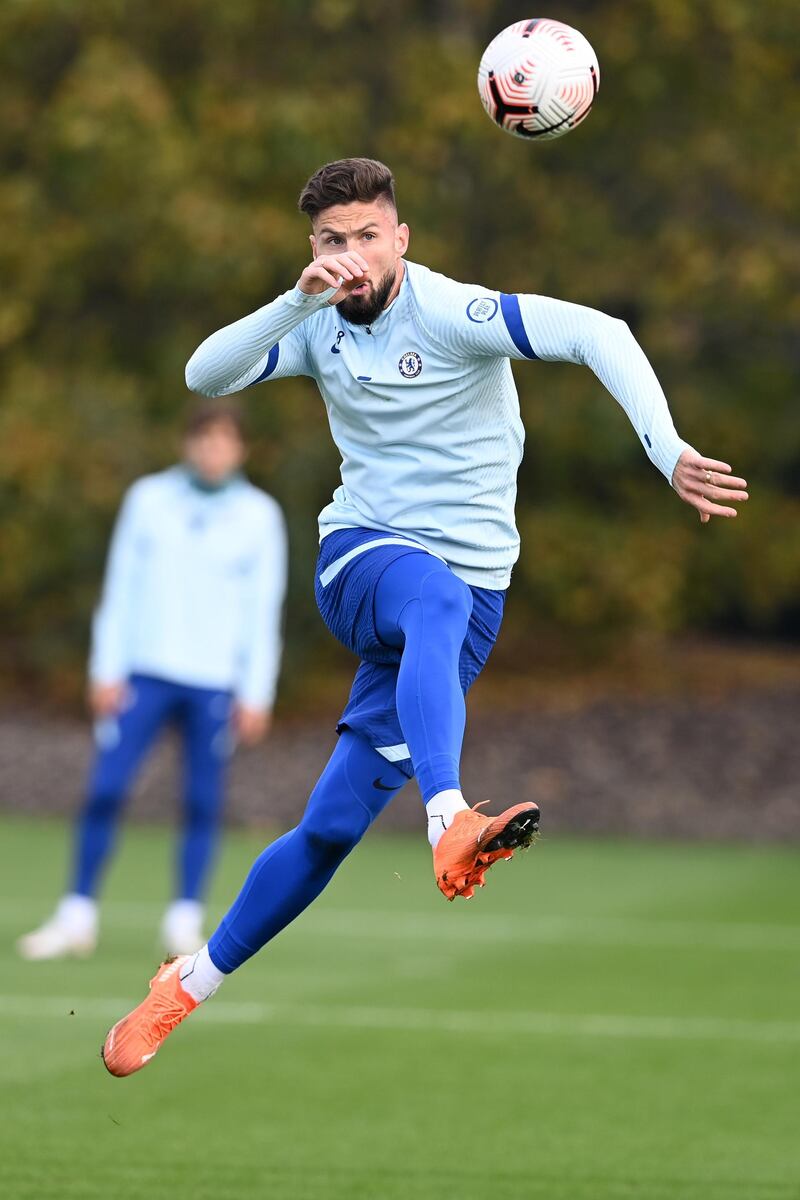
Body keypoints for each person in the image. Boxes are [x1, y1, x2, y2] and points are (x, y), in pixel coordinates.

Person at [100, 157, 747, 1076]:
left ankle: (185, 985)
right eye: (333, 241)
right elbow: (208, 375)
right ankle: (449, 815)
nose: (351, 256)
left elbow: (599, 332)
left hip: (468, 607)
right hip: (363, 562)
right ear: (314, 248)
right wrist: (295, 300)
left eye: (368, 236)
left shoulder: (450, 313)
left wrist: (667, 448)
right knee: (431, 593)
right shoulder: (318, 320)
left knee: (328, 829)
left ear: (401, 238)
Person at [19, 400, 287, 961]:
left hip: (215, 681)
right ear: (187, 443)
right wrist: (105, 669)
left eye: (225, 441)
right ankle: (76, 916)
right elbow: (119, 589)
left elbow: (264, 609)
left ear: (240, 449)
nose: (214, 451)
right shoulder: (149, 499)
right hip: (144, 671)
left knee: (201, 800)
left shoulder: (260, 515)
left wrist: (256, 690)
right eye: (204, 439)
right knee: (106, 788)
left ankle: (184, 922)